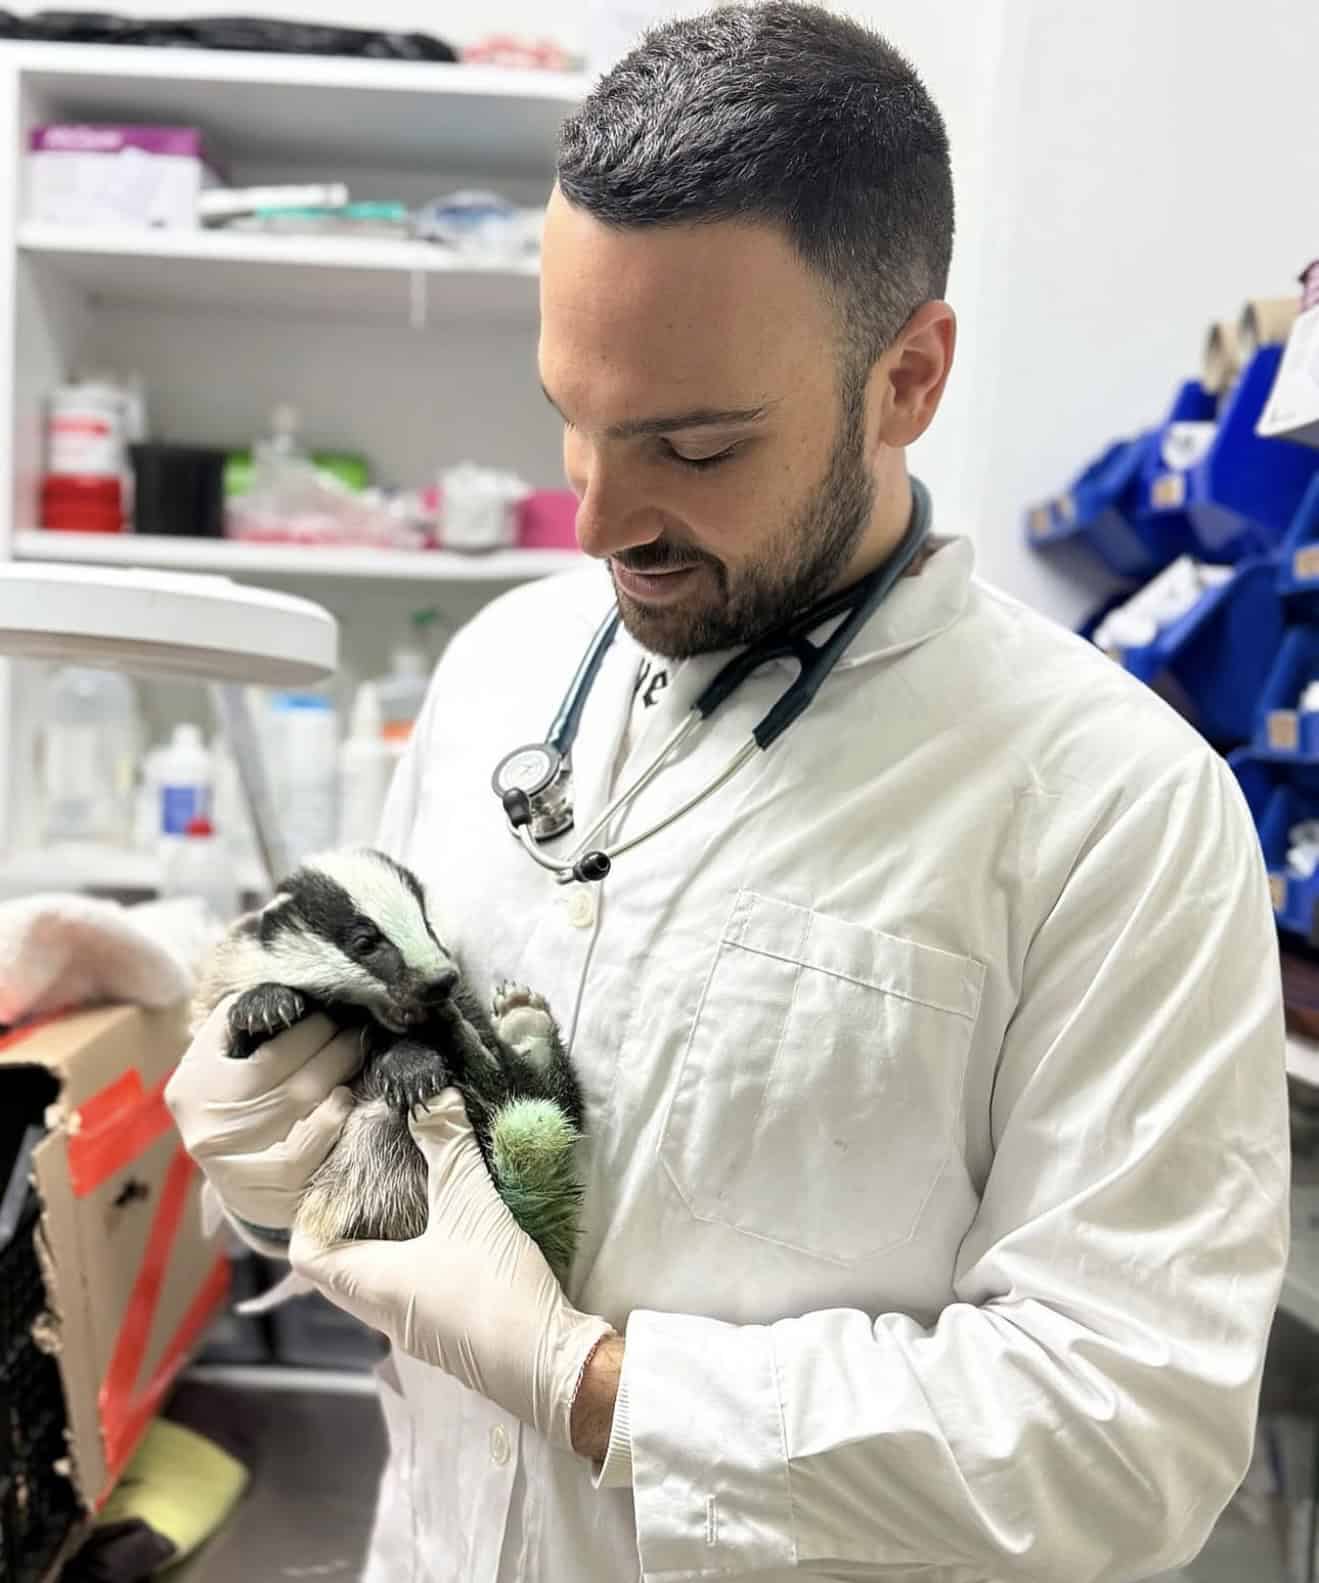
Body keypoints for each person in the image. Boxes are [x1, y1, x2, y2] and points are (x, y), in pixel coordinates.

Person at [165, 4, 1291, 1579]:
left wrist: (593, 1387)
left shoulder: (1115, 813)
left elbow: (1125, 1439)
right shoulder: (502, 668)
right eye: (572, 421)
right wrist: (266, 1114)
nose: (598, 521)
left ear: (908, 378)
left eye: (693, 449)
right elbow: (408, 1093)